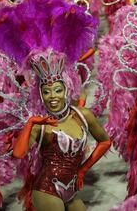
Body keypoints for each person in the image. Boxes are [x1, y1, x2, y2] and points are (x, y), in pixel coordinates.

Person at [12, 53, 111, 211]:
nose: (52, 96)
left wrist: (83, 169)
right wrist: (30, 123)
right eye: (46, 92)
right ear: (41, 96)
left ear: (66, 90)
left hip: (70, 190)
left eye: (57, 90)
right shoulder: (40, 125)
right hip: (46, 190)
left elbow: (105, 142)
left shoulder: (82, 115)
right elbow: (18, 154)